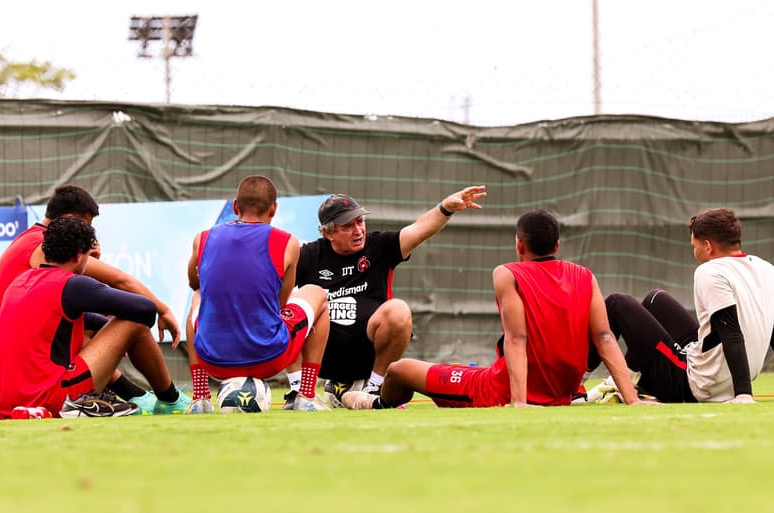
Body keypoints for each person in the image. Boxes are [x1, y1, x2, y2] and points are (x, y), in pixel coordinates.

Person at [341, 209, 654, 410]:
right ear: (557, 246)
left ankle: (374, 403)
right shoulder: (585, 275)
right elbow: (604, 336)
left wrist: (518, 402)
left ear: (519, 245)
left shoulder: (507, 273)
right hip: (560, 392)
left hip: (498, 390)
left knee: (400, 369)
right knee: (463, 368)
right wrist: (633, 400)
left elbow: (516, 339)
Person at [0, 184, 185, 414]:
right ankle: (170, 400)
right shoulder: (61, 271)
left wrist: (110, 329)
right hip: (45, 387)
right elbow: (128, 291)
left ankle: (134, 396)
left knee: (81, 321)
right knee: (132, 320)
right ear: (78, 252)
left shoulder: (23, 274)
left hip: (7, 393)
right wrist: (160, 310)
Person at [289, 185, 488, 408]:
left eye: (360, 222)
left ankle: (374, 386)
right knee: (288, 304)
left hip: (367, 353)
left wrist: (446, 208)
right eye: (348, 225)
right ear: (328, 232)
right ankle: (300, 390)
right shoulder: (307, 255)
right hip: (320, 356)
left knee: (399, 310)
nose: (358, 230)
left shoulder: (379, 245)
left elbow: (419, 229)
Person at [586, 208, 774, 404]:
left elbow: (731, 333)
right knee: (655, 299)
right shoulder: (767, 269)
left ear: (708, 246)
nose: (694, 252)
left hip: (692, 385)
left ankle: (577, 387)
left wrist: (743, 395)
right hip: (722, 376)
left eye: (695, 246)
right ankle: (623, 380)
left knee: (618, 304)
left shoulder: (710, 271)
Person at [185, 175, 331, 412]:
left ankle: (200, 397)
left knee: (197, 298)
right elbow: (281, 303)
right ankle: (307, 395)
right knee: (316, 293)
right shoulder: (287, 242)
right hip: (269, 358)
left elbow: (194, 282)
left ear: (235, 206)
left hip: (213, 360)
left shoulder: (202, 238)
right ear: (274, 209)